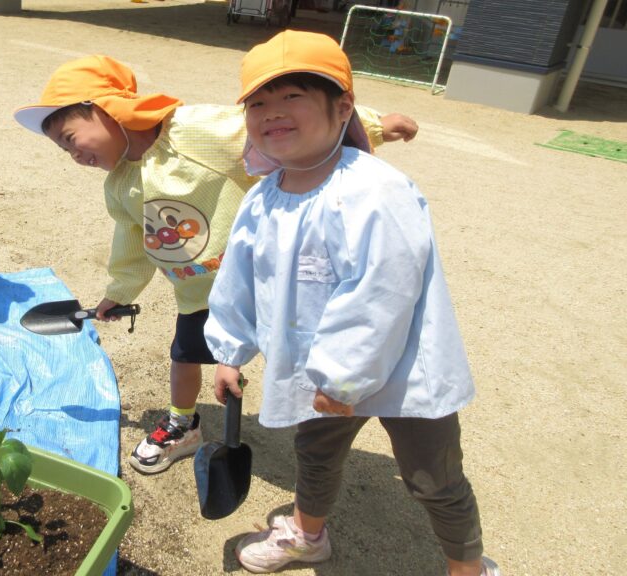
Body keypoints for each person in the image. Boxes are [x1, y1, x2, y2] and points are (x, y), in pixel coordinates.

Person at [13, 54, 418, 475]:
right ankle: (182, 424)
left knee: (299, 347)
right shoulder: (119, 185)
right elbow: (131, 244)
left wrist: (374, 125)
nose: (72, 154)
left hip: (262, 279)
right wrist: (118, 293)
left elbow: (273, 128)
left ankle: (332, 412)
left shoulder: (191, 131)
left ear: (105, 109)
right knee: (184, 355)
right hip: (198, 292)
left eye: (70, 138)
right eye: (63, 148)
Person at [204, 30, 500, 576]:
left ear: (343, 108)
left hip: (401, 367)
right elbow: (239, 280)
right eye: (258, 103)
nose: (273, 112)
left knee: (432, 476)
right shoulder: (262, 197)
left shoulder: (376, 190)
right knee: (315, 454)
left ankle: (468, 567)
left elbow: (383, 292)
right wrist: (229, 351)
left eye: (292, 96)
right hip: (320, 376)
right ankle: (308, 536)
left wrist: (342, 377)